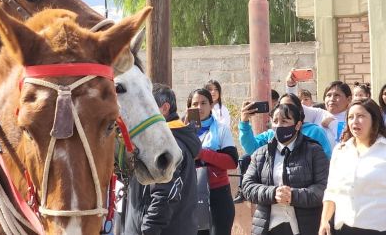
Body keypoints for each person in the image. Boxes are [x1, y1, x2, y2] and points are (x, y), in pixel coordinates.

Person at [124, 84, 201, 235]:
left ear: (164, 108)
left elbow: (164, 195)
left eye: (146, 107)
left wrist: (148, 230)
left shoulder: (169, 144)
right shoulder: (157, 141)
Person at [242, 103, 329, 235]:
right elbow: (247, 187)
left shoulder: (314, 151)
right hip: (268, 226)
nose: (278, 126)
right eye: (275, 121)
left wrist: (293, 195)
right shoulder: (261, 153)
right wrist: (273, 193)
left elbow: (323, 188)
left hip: (305, 226)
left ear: (298, 125)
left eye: (284, 121)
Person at [320, 99, 386, 234]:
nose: (354, 121)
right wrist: (324, 221)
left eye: (361, 116)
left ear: (374, 119)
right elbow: (332, 190)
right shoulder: (341, 150)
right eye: (350, 117)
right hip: (344, 227)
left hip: (378, 228)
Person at [188, 88, 238, 235]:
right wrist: (184, 133)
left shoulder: (222, 130)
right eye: (195, 104)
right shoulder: (182, 131)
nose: (199, 107)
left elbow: (232, 162)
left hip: (218, 195)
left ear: (211, 105)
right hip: (190, 193)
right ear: (189, 107)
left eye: (203, 103)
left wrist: (202, 154)